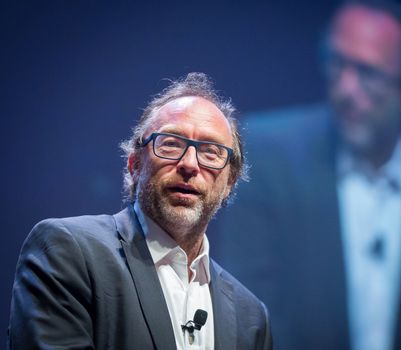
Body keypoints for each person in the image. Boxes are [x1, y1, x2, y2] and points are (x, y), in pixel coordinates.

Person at [209, 1, 401, 349]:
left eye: (368, 73)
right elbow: (247, 315)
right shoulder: (268, 157)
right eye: (337, 64)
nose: (346, 89)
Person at [8, 72, 272, 350]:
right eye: (171, 144)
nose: (190, 164)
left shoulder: (250, 316)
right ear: (134, 165)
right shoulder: (68, 252)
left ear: (229, 182)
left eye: (210, 152)